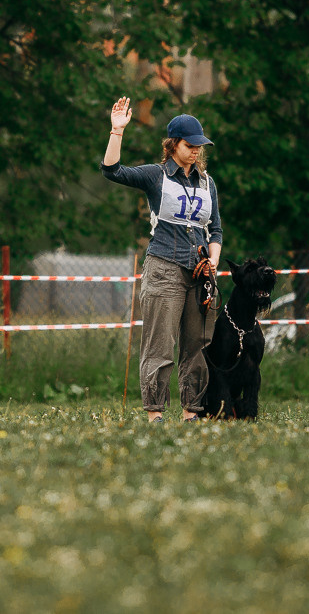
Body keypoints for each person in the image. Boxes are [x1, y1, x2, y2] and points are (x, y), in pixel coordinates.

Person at [102, 97, 222, 422]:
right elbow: (113, 171)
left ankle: (191, 412)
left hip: (200, 275)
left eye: (200, 145)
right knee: (159, 344)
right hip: (164, 268)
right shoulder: (156, 176)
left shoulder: (208, 183)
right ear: (173, 145)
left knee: (198, 346)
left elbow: (216, 230)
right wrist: (117, 132)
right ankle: (155, 414)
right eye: (190, 144)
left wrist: (214, 261)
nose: (196, 150)